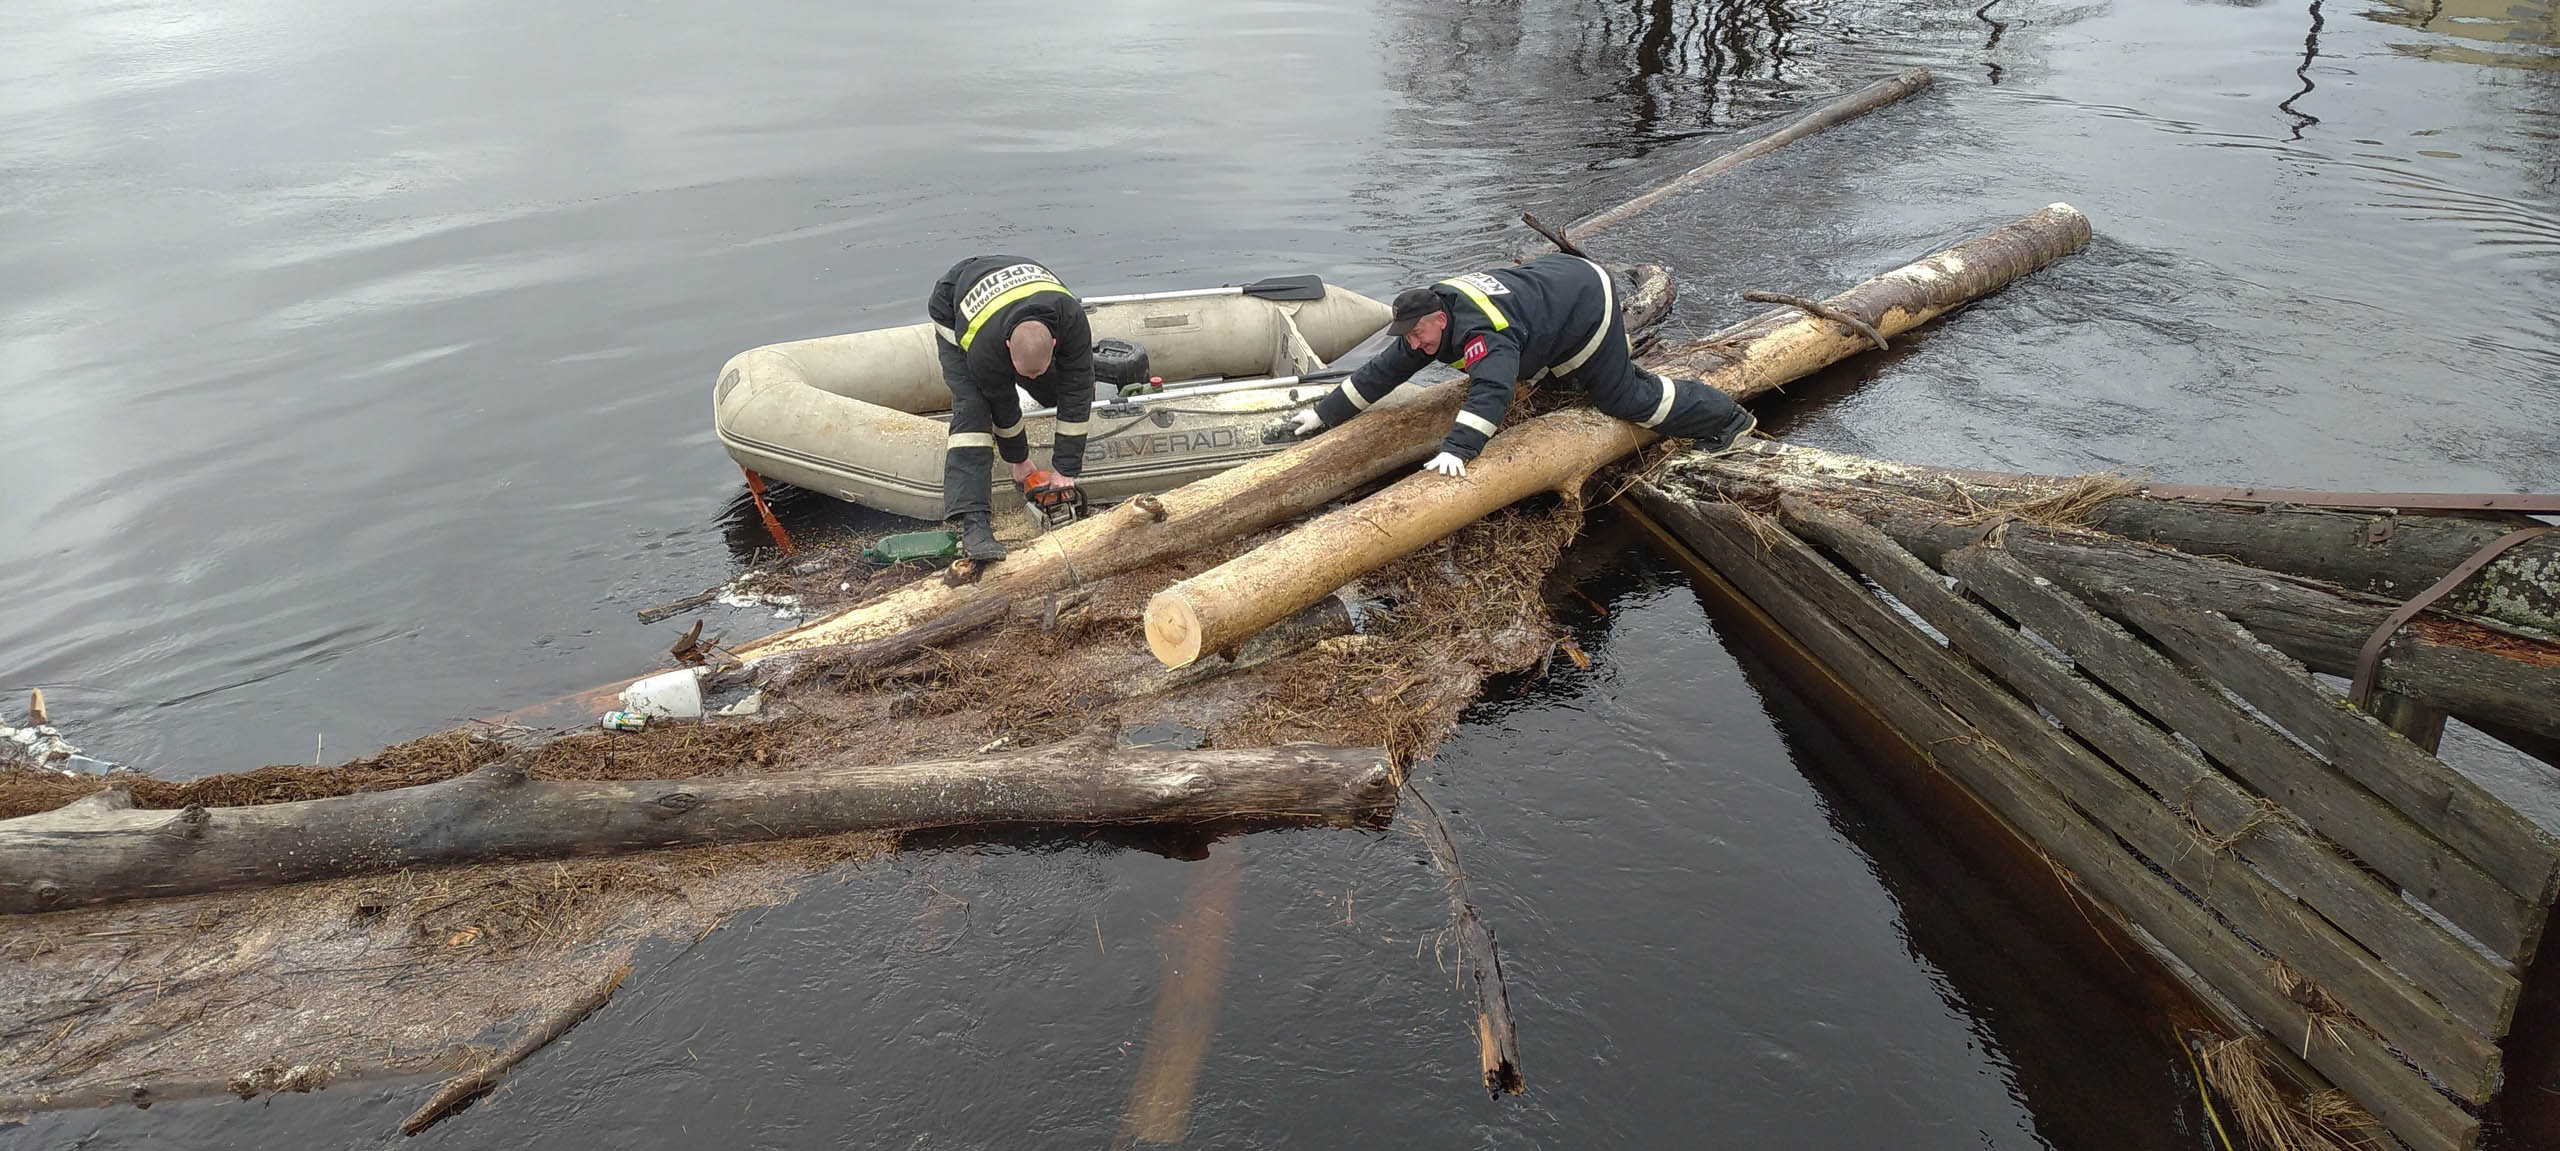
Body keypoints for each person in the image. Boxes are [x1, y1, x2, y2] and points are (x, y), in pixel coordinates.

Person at [1287, 254, 1754, 475]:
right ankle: (1564, 367)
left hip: (1586, 301)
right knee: (1559, 383)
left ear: (1439, 319)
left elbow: (1493, 390)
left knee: (1622, 397)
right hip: (1553, 289)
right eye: (1409, 336)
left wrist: (1459, 450)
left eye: (1419, 335)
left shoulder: (1480, 334)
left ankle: (1728, 419)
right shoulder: (1428, 322)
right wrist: (1323, 414)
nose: (1414, 344)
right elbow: (1382, 372)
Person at [928, 255, 1096, 560]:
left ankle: (1042, 379)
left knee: (1057, 388)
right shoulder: (986, 349)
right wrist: (1019, 461)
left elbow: (1078, 387)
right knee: (974, 408)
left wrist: (1065, 469)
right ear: (1008, 349)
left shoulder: (1072, 320)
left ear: (1055, 344)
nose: (1026, 378)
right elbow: (1002, 403)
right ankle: (974, 525)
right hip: (954, 307)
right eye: (1022, 373)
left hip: (1015, 291)